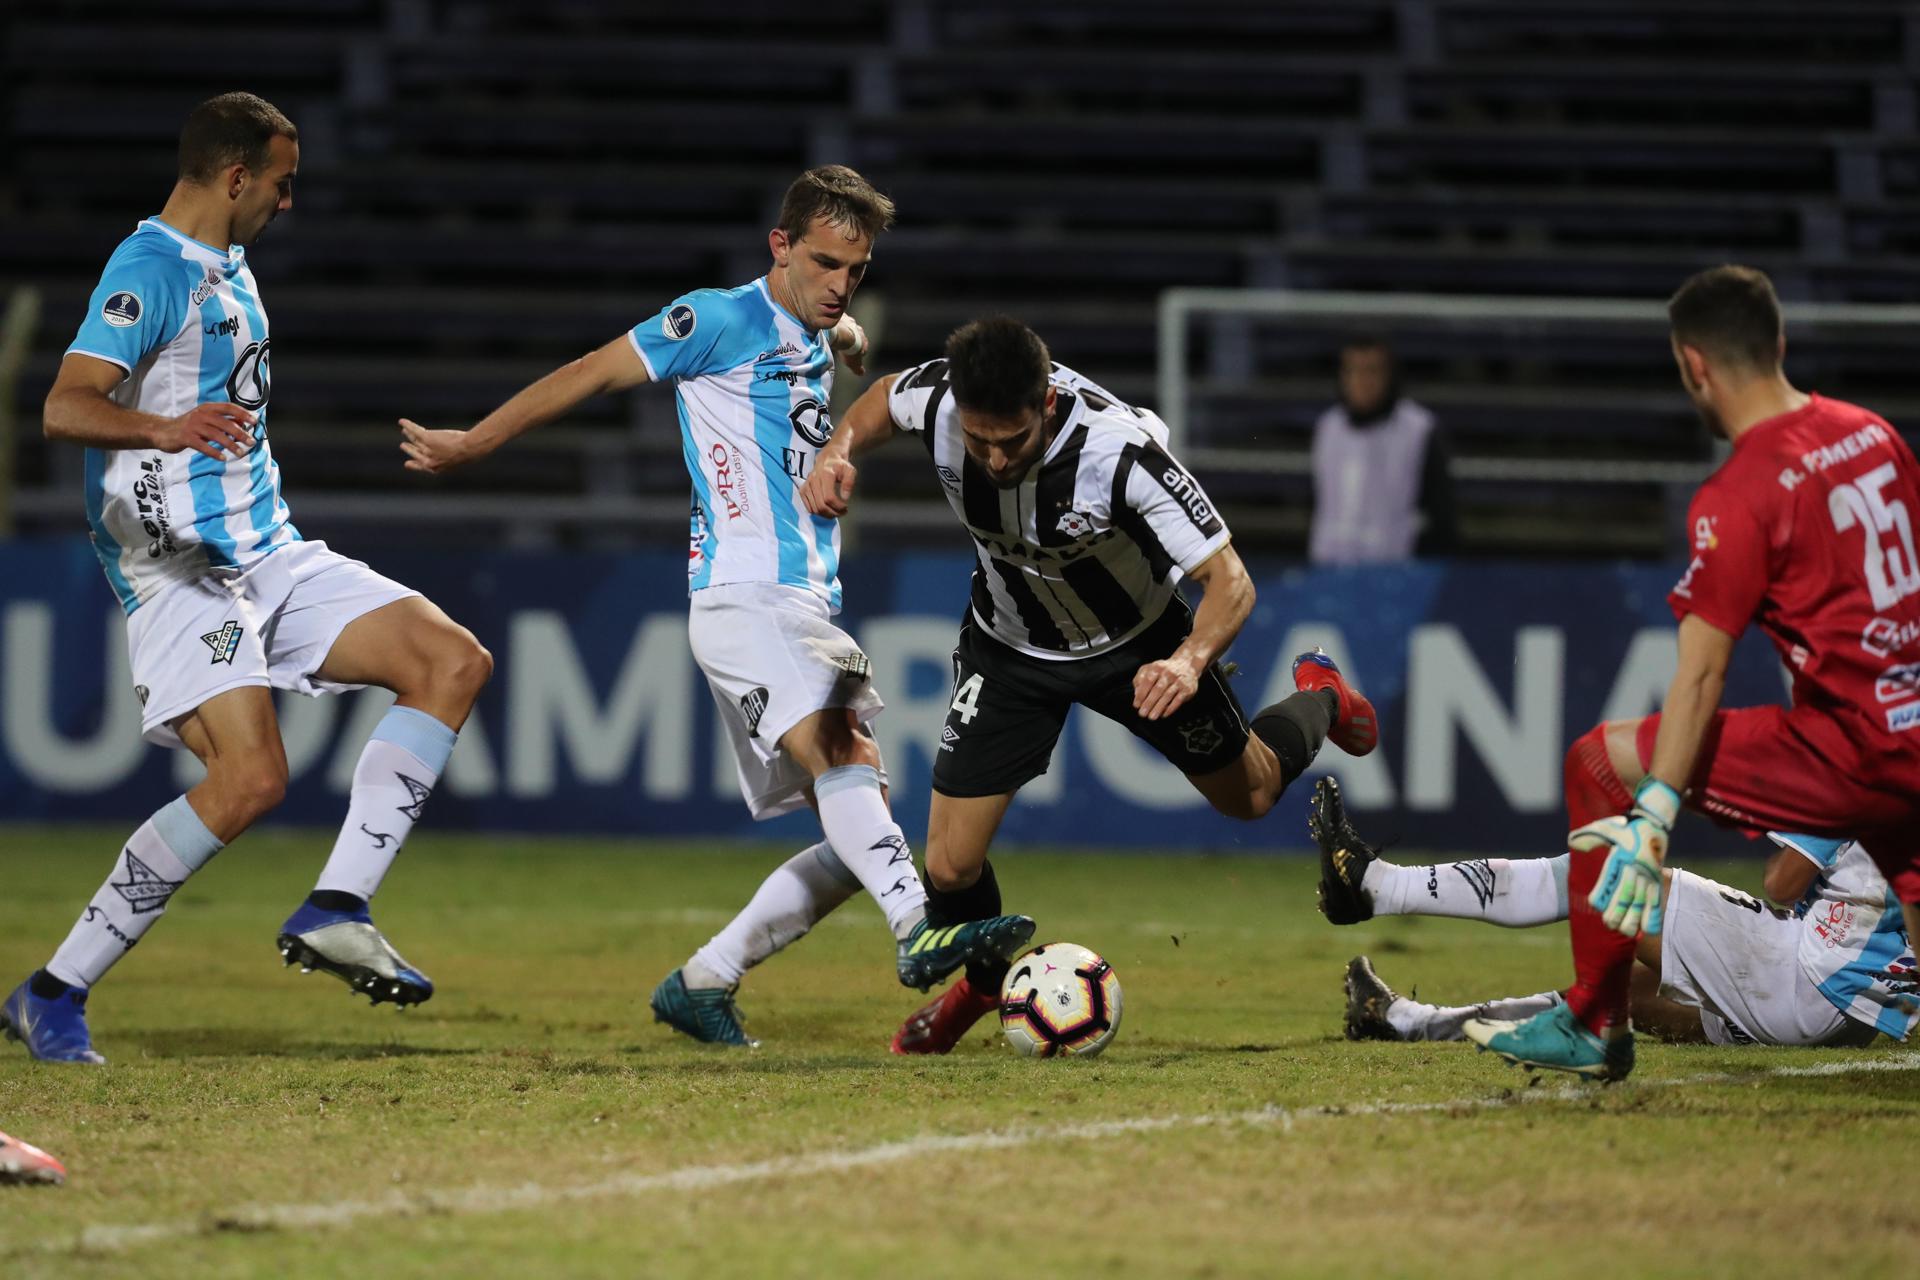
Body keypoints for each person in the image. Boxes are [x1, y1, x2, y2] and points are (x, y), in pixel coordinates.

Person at [396, 165, 1032, 1047]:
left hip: (797, 597)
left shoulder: (817, 319)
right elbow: (590, 373)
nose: (840, 284)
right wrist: (474, 443)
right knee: (844, 751)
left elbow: (831, 325)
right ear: (779, 246)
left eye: (857, 269)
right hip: (744, 593)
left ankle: (705, 980)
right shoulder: (715, 319)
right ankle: (915, 925)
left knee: (859, 813)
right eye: (823, 264)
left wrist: (845, 336)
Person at [0, 93, 493, 1066]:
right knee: (252, 776)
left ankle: (338, 903)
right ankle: (53, 989)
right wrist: (160, 428)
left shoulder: (229, 266)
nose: (289, 201)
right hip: (179, 568)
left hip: (270, 550)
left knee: (452, 660)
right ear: (235, 178)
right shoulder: (149, 269)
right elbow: (64, 406)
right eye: (282, 182)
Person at [799, 316, 1381, 1053]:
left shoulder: (1121, 453)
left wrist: (1188, 661)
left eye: (1011, 440)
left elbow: (1230, 581)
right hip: (1009, 648)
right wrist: (837, 450)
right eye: (980, 442)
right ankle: (981, 988)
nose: (996, 458)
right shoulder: (945, 400)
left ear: (1045, 403)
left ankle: (1325, 694)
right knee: (947, 864)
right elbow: (881, 397)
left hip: (1139, 648)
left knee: (1254, 796)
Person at [1459, 265, 1920, 1080]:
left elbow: (1702, 678)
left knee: (1595, 762)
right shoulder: (1875, 434)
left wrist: (1657, 811)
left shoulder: (1737, 495)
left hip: (1843, 748)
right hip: (1911, 731)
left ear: (1692, 366)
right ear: (1777, 343)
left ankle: (1596, 1022)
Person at [1309, 779, 1913, 1049]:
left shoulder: (1864, 764)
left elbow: (1783, 882)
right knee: (1622, 996)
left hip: (1806, 975)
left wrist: (1815, 802)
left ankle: (1376, 886)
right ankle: (1408, 1022)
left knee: (1598, 873)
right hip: (1864, 1011)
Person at [1308, 336, 1456, 565]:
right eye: (1353, 371)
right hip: (1330, 570)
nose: (1362, 381)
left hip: (1396, 572)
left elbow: (1442, 516)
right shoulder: (1328, 427)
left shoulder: (1419, 429)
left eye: (1371, 371)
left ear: (1390, 375)